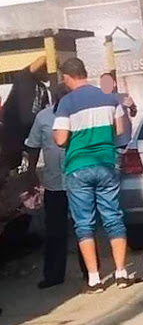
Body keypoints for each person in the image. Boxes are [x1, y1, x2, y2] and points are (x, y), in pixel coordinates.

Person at [53, 58, 132, 293]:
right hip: (106, 163)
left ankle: (95, 279)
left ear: (67, 77)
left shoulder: (66, 103)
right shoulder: (110, 99)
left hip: (78, 168)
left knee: (84, 223)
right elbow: (119, 131)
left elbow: (60, 139)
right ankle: (121, 273)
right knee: (113, 217)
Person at [25, 84, 72, 289]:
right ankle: (53, 275)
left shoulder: (78, 115)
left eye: (66, 95)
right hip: (54, 186)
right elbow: (33, 147)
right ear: (54, 98)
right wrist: (30, 173)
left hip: (78, 183)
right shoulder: (43, 117)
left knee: (84, 229)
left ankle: (91, 273)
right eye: (59, 96)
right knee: (54, 232)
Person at [0, 56, 50, 187]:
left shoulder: (42, 88)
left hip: (29, 137)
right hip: (12, 134)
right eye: (47, 69)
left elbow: (45, 111)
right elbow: (40, 60)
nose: (49, 73)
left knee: (25, 173)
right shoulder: (24, 78)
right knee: (6, 167)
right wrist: (51, 55)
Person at [99, 73, 137, 151]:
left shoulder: (123, 97)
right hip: (107, 141)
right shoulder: (98, 100)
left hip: (124, 140)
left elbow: (133, 114)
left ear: (114, 84)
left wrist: (132, 106)